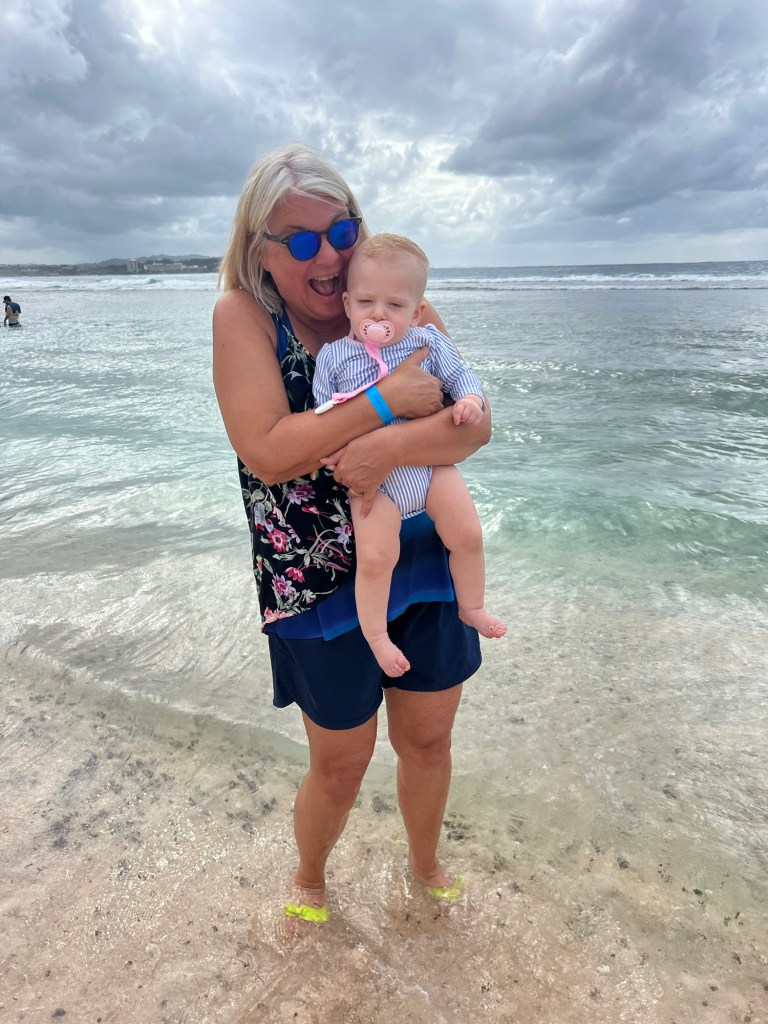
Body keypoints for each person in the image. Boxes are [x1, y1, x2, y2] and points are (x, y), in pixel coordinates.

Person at [213, 143, 491, 926]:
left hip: (422, 559)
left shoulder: (395, 302)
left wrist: (387, 448)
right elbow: (269, 452)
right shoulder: (244, 316)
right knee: (340, 763)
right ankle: (309, 876)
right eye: (302, 241)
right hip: (314, 577)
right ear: (260, 251)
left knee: (429, 742)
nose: (330, 257)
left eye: (342, 231)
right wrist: (385, 405)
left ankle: (425, 863)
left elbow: (474, 427)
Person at [313, 233, 506, 677]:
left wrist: (468, 401)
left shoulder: (428, 342)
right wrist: (338, 453)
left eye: (394, 305)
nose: (378, 314)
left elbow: (461, 376)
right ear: (347, 305)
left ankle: (472, 606)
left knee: (467, 533)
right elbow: (323, 414)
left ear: (416, 311)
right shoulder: (335, 357)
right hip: (376, 485)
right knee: (377, 559)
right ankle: (377, 637)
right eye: (366, 302)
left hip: (430, 468)